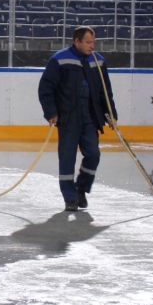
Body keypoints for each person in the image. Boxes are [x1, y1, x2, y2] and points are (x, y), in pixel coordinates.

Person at [37, 26, 117, 212]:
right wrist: (51, 112)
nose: (92, 46)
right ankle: (70, 198)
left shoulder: (98, 61)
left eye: (93, 42)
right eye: (88, 42)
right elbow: (45, 89)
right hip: (68, 118)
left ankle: (81, 188)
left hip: (90, 117)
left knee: (93, 155)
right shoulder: (60, 60)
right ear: (77, 41)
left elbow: (106, 92)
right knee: (67, 158)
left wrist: (111, 114)